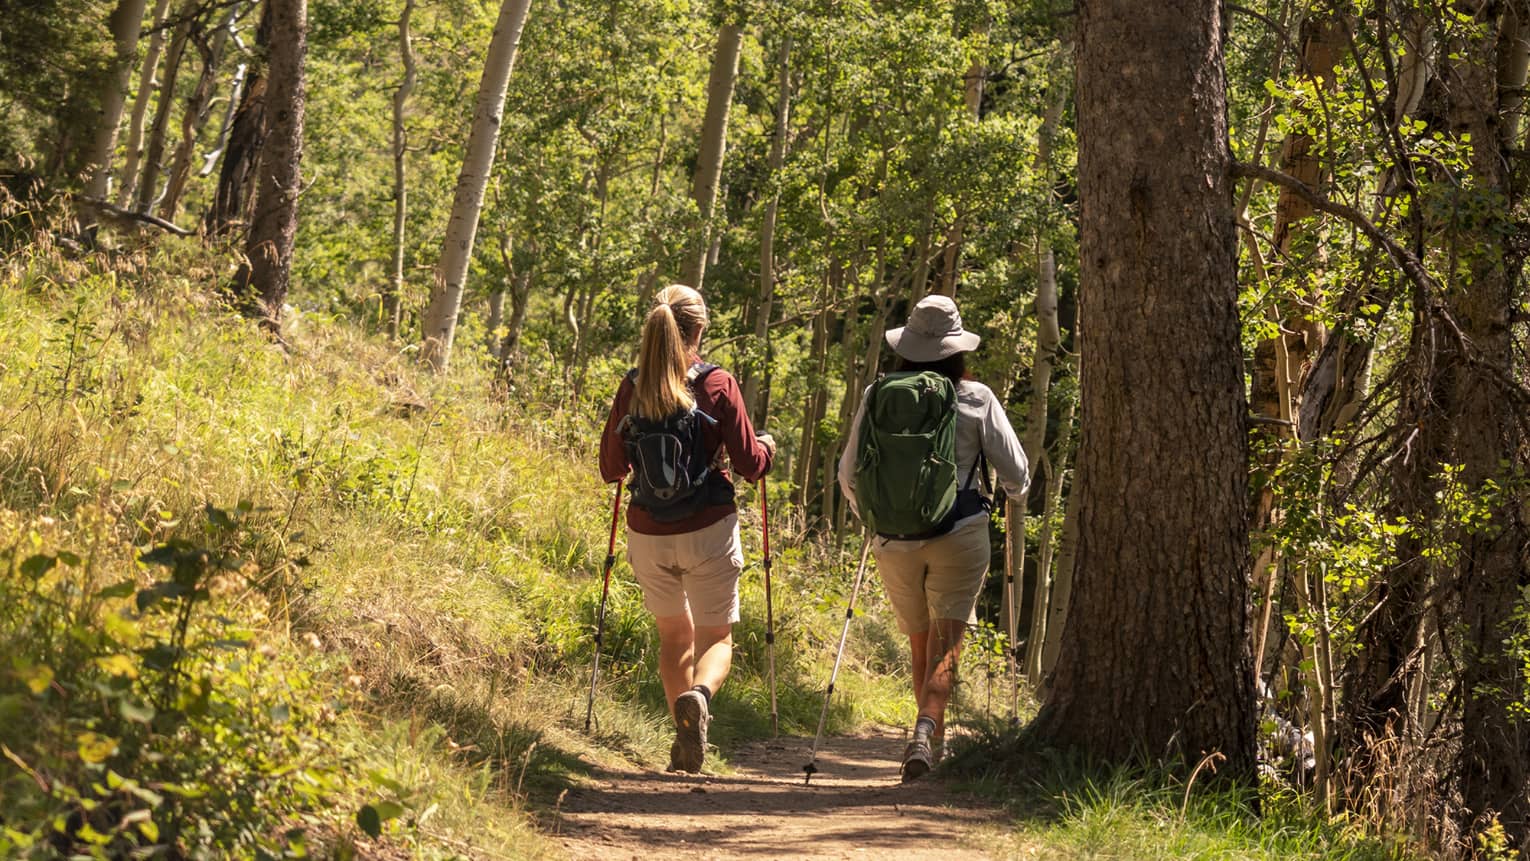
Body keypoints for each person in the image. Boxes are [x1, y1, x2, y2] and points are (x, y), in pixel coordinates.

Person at [837, 294, 1029, 782]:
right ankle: (925, 733)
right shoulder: (976, 397)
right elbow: (1017, 472)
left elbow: (848, 474)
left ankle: (929, 738)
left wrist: (875, 515)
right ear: (957, 349)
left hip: (892, 538)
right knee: (948, 646)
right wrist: (1011, 494)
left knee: (921, 645)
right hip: (959, 532)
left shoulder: (877, 393)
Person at [599, 284, 776, 774]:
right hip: (709, 528)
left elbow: (611, 469)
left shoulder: (632, 386)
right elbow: (749, 464)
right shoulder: (717, 384)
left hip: (647, 533)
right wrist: (768, 447)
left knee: (674, 638)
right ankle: (699, 697)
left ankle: (683, 745)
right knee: (716, 638)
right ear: (700, 330)